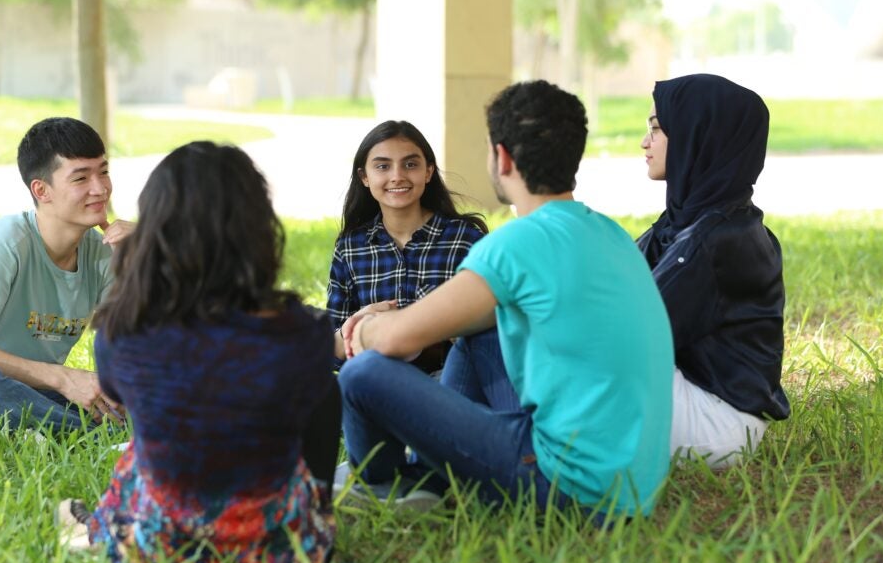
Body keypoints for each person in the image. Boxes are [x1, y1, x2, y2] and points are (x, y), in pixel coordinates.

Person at [336, 81, 674, 520]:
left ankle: (384, 483)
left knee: (363, 373)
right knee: (479, 331)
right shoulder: (608, 233)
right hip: (632, 483)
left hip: (569, 490)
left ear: (503, 157)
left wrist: (363, 325)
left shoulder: (517, 243)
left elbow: (395, 342)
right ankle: (432, 477)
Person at [57, 142, 342, 563]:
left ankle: (94, 530)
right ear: (257, 230)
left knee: (143, 452)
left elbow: (117, 392)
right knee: (326, 389)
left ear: (153, 230)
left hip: (155, 551)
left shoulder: (122, 329)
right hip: (279, 554)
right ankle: (317, 511)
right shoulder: (303, 331)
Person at [0, 117, 134, 432]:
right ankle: (90, 437)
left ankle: (64, 431)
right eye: (81, 178)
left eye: (103, 171)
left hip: (40, 395)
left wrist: (148, 257)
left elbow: (142, 346)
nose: (100, 187)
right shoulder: (5, 243)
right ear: (42, 190)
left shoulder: (103, 249)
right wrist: (65, 378)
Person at [638, 73, 789, 468]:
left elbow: (633, 328)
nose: (645, 142)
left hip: (716, 421)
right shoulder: (687, 223)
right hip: (694, 397)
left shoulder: (718, 239)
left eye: (656, 129)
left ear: (694, 136)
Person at [326, 120, 486, 370]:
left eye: (410, 164)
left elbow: (491, 333)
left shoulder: (465, 240)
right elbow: (332, 348)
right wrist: (361, 326)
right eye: (382, 166)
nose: (397, 176)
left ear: (428, 172)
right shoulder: (350, 247)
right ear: (364, 177)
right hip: (375, 382)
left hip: (451, 385)